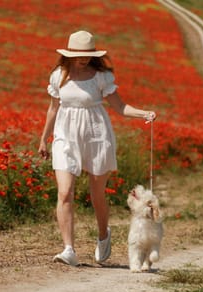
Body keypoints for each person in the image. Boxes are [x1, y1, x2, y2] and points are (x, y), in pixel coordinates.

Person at [38, 30, 157, 266]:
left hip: (96, 134)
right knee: (64, 192)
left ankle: (104, 235)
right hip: (65, 135)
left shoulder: (101, 77)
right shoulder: (58, 76)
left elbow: (119, 107)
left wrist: (143, 113)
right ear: (69, 54)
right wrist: (44, 139)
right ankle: (68, 249)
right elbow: (53, 108)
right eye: (78, 54)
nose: (83, 58)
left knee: (97, 193)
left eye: (87, 54)